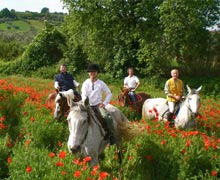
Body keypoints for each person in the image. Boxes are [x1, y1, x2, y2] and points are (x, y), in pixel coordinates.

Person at [81, 63, 115, 145]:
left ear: (97, 73)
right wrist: (85, 101)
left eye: (94, 71)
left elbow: (109, 93)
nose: (92, 73)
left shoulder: (101, 83)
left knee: (107, 117)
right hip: (87, 105)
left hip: (97, 105)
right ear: (88, 73)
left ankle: (111, 135)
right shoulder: (85, 83)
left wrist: (104, 103)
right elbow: (83, 94)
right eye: (91, 72)